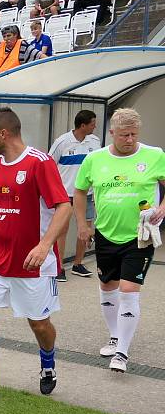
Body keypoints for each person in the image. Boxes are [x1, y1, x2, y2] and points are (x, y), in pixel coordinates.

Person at [0, 107, 71, 401]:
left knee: (39, 324)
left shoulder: (40, 162)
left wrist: (45, 244)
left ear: (3, 133)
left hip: (32, 262)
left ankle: (47, 363)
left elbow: (64, 207)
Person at [74, 108, 165, 373]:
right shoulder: (94, 159)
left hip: (140, 235)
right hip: (105, 233)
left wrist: (162, 208)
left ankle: (122, 353)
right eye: (124, 135)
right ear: (111, 133)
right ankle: (114, 336)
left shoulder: (154, 155)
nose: (129, 139)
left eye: (134, 135)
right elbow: (79, 192)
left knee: (128, 290)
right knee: (107, 286)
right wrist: (82, 224)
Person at [49, 110, 101, 281]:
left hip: (87, 194)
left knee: (84, 230)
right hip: (65, 195)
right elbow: (49, 165)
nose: (95, 126)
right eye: (93, 123)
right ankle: (59, 267)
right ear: (83, 125)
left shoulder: (95, 141)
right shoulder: (62, 142)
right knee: (61, 230)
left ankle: (78, 264)